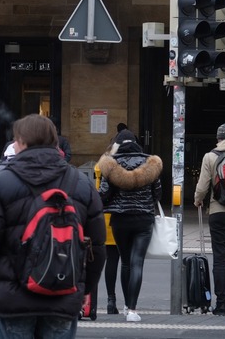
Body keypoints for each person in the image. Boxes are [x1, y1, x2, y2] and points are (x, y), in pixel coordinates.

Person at [0, 114, 106, 339]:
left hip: (14, 299)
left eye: (15, 139)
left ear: (22, 142)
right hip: (63, 296)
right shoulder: (82, 184)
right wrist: (82, 286)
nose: (13, 144)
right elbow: (97, 248)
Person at [97, 128, 162, 323]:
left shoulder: (111, 164)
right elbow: (157, 193)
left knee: (125, 262)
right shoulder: (150, 163)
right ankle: (133, 309)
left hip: (120, 220)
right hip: (143, 219)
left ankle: (125, 306)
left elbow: (104, 194)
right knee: (137, 262)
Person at [193, 122, 225, 316]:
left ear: (218, 139)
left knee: (219, 260)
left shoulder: (210, 156)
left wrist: (198, 200)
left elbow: (202, 185)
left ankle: (221, 305)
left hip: (218, 212)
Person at [91, 133, 122, 317]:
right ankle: (121, 303)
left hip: (104, 218)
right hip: (119, 216)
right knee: (122, 260)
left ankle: (111, 300)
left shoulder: (100, 165)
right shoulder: (118, 167)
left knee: (110, 260)